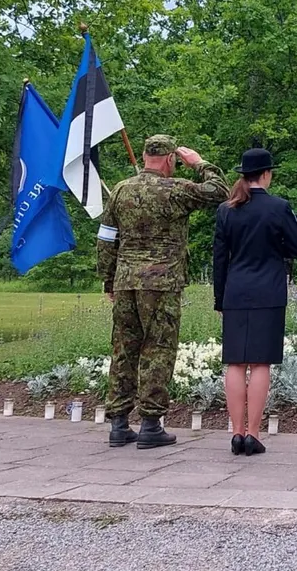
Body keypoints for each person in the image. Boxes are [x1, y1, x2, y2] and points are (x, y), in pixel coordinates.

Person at [97, 135, 228, 449]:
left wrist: (108, 279)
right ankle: (151, 424)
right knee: (158, 350)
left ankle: (118, 423)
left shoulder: (119, 190)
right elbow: (220, 193)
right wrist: (199, 164)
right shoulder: (176, 189)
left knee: (123, 349)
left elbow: (105, 238)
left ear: (144, 156)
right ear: (170, 159)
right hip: (161, 282)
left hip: (126, 280)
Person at [213, 147, 297, 457]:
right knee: (260, 363)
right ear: (266, 174)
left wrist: (220, 298)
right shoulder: (278, 208)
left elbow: (219, 259)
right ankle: (254, 433)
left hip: (236, 292)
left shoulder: (227, 210)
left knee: (236, 363)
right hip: (268, 292)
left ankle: (236, 432)